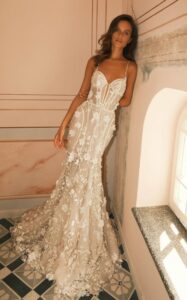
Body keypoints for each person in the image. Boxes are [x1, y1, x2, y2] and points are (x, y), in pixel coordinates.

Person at [10, 14, 138, 299]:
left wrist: (109, 97)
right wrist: (63, 125)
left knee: (90, 172)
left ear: (131, 39)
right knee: (75, 173)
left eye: (126, 33)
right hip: (85, 121)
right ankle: (68, 229)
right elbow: (81, 93)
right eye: (117, 31)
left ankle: (81, 233)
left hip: (104, 124)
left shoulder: (131, 66)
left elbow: (127, 99)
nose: (120, 36)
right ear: (111, 33)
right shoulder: (95, 61)